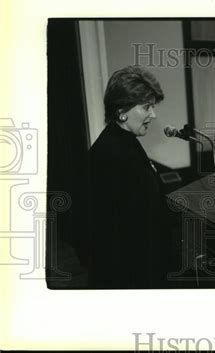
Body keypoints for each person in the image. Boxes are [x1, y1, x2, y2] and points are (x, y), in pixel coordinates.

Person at [84, 65, 170, 288]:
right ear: (122, 111)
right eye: (146, 107)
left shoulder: (125, 141)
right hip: (129, 277)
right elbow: (110, 234)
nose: (154, 114)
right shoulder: (110, 153)